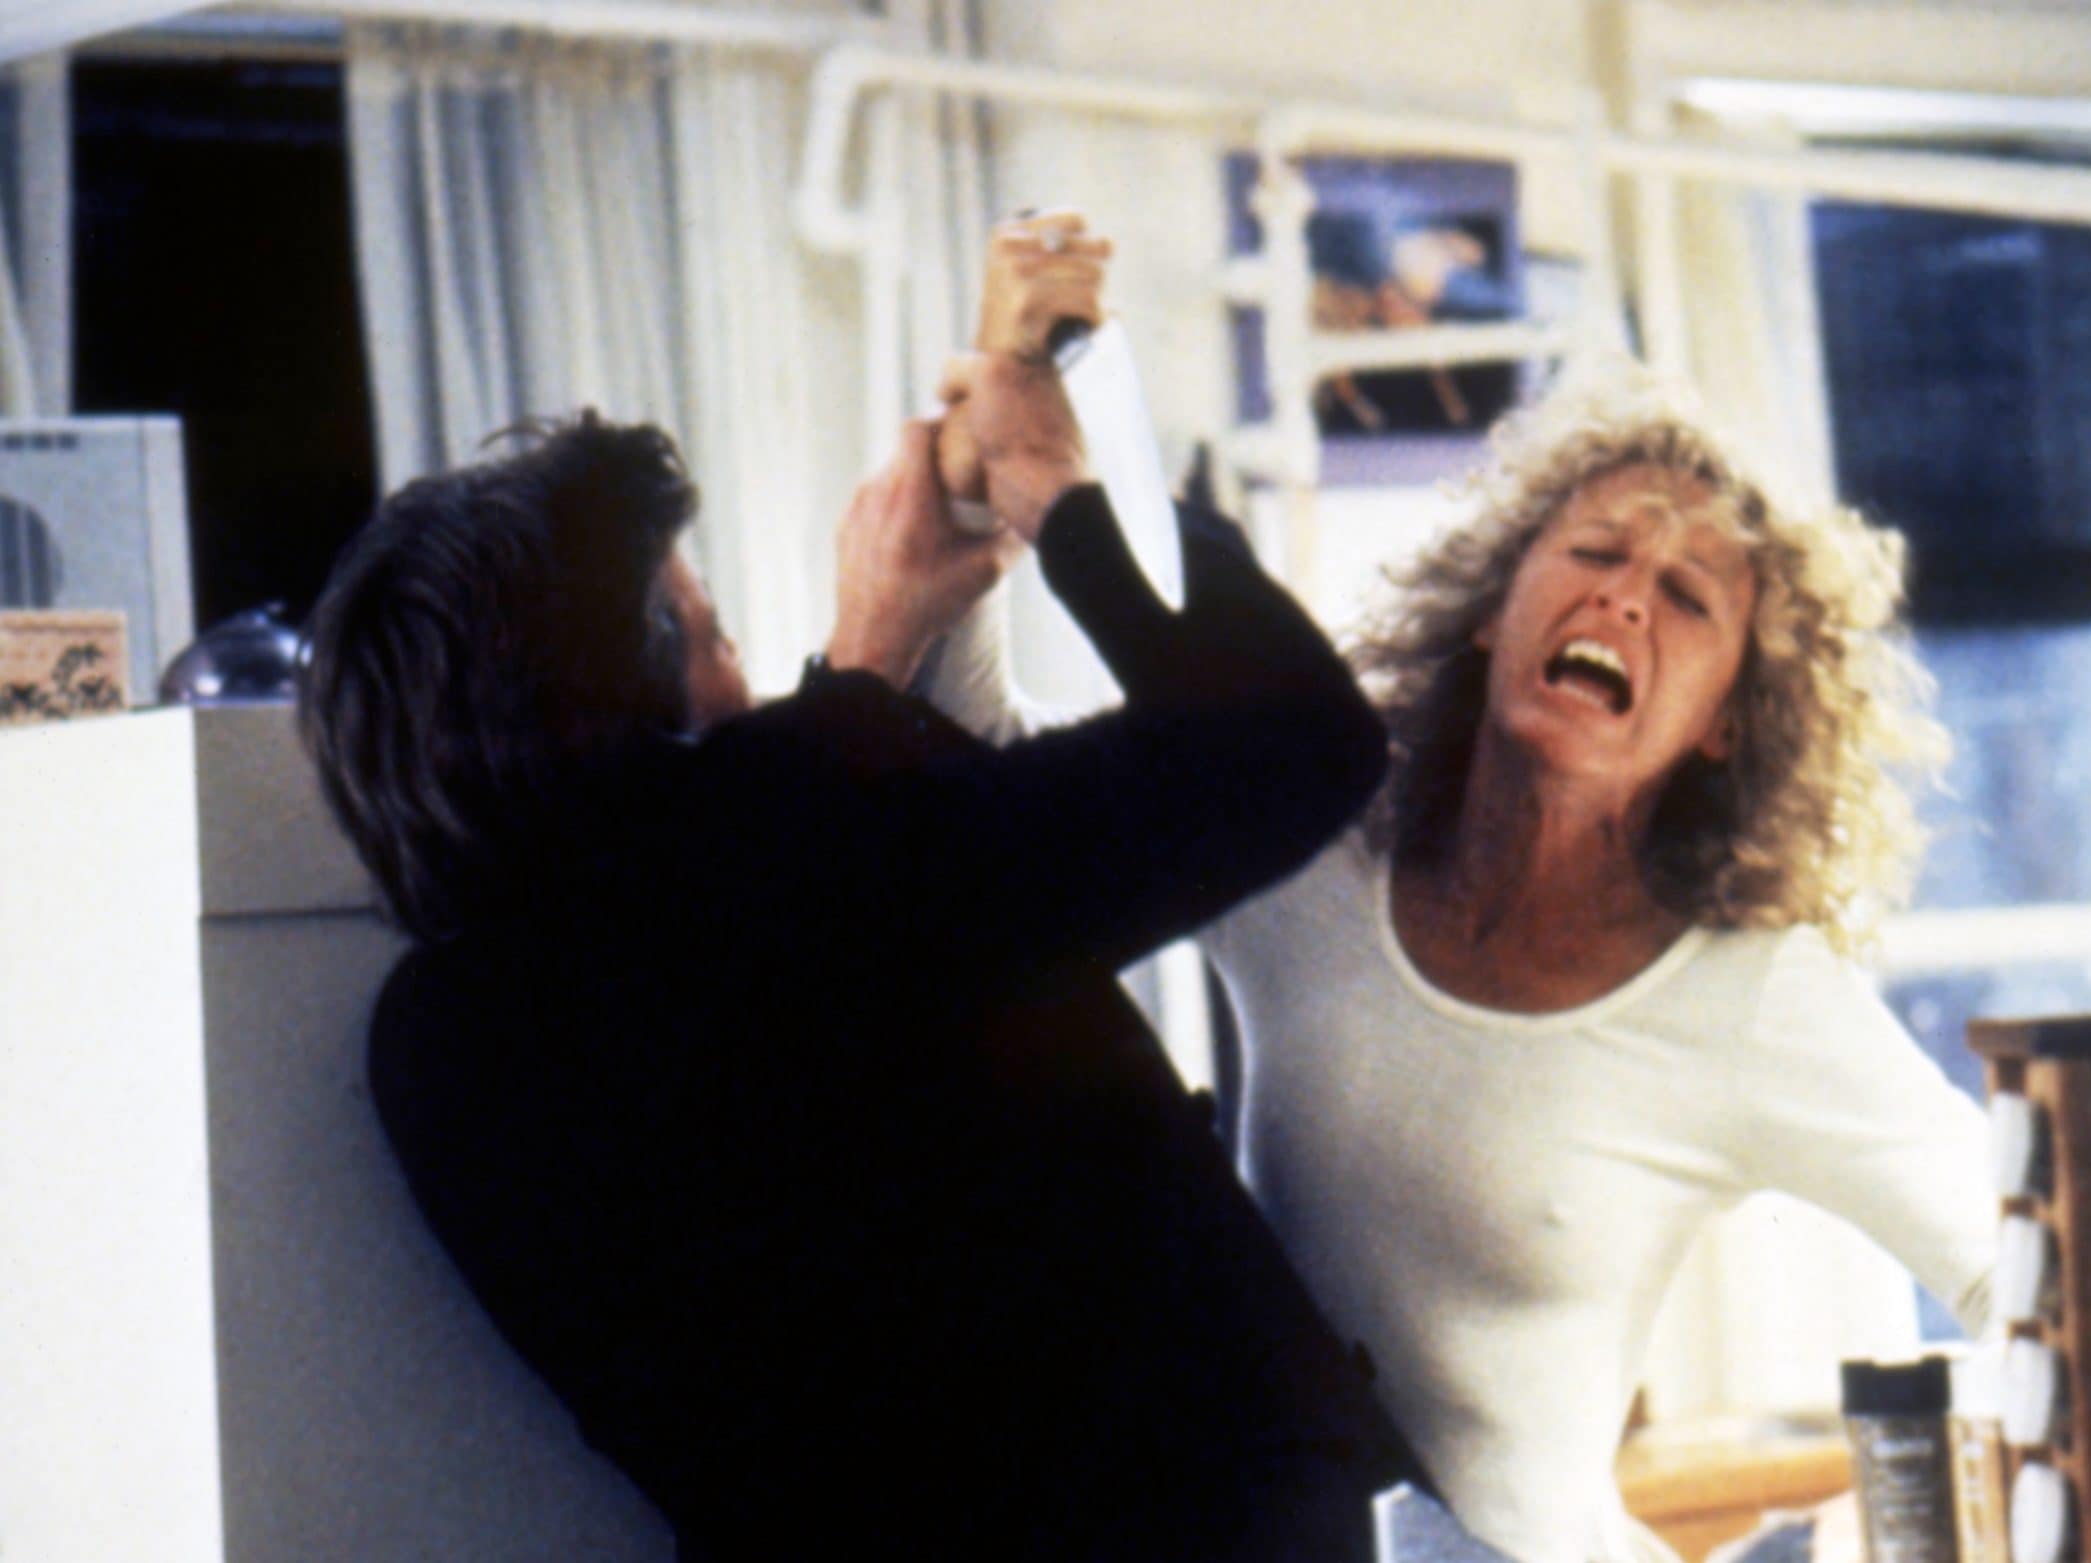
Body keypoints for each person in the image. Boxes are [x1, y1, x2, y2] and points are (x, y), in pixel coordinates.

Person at [298, 281, 1434, 1556]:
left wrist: (859, 669)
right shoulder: (808, 868)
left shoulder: (431, 1047)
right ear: (630, 704)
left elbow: (735, 930)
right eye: (714, 636)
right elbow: (1293, 737)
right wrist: (1063, 490)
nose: (743, 680)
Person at [916, 358, 1996, 1563]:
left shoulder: (1750, 995)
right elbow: (983, 776)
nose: (1623, 599)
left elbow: (2012, 1262)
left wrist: (1942, 1509)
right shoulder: (1313, 845)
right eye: (1594, 553)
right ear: (1493, 608)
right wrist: (968, 514)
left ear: (1724, 722)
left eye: (1686, 597)